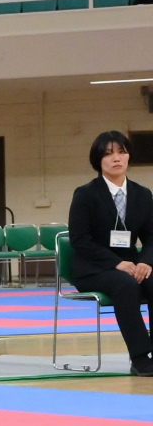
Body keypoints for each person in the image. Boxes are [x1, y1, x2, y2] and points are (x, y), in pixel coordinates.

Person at [66, 130, 153, 375]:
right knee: (126, 284)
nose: (116, 158)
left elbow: (151, 237)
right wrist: (116, 263)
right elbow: (79, 240)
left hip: (131, 265)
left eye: (121, 152)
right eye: (108, 154)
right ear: (98, 160)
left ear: (129, 156)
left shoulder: (143, 194)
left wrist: (146, 262)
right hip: (92, 268)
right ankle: (140, 357)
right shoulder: (85, 194)